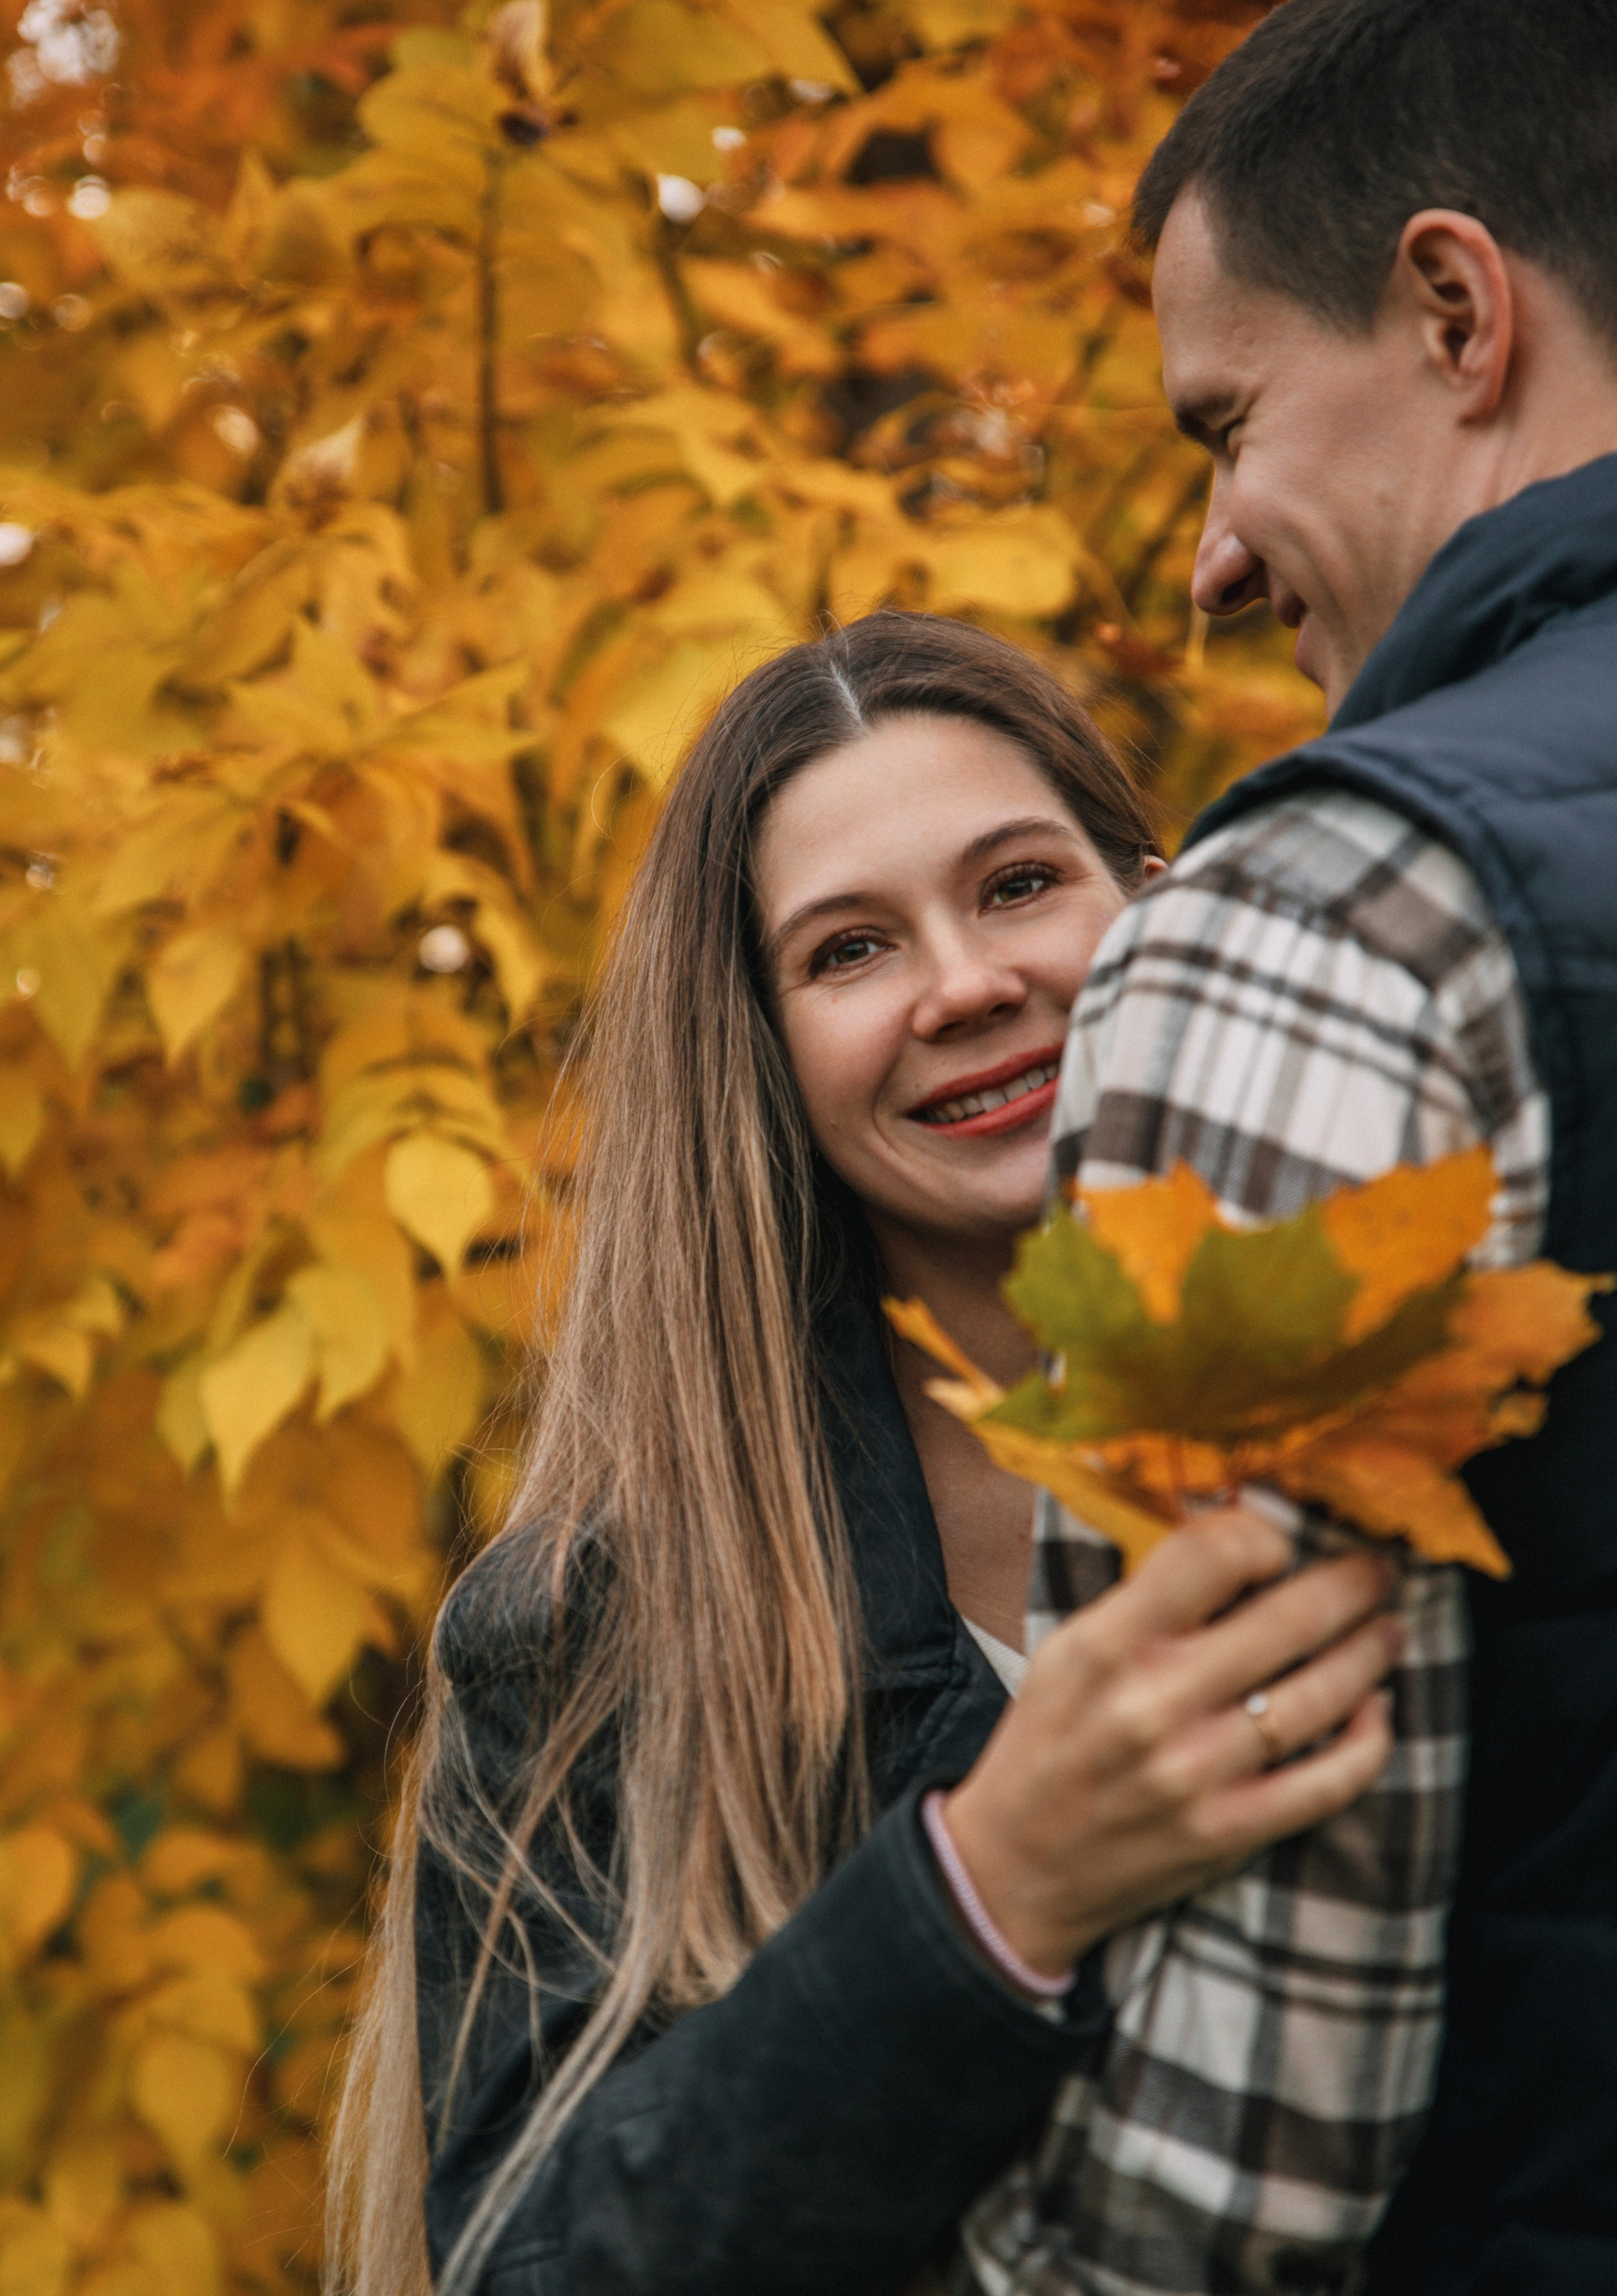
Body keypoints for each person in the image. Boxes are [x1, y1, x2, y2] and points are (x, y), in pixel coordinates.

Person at [326, 614, 1413, 2296]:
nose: (965, 986)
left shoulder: (1437, 1384)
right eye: (848, 951)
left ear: (1162, 907)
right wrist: (983, 1898)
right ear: (758, 1050)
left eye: (1017, 885)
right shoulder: (596, 1631)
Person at [968, 0, 1617, 2294]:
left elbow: (1243, 2128)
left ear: (1456, 309)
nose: (1217, 553)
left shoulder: (1330, 917)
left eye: (1225, 425)